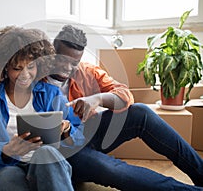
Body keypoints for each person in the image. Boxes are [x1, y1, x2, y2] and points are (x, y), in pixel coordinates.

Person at [44, 25, 203, 191]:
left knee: (141, 112)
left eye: (74, 63)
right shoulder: (35, 78)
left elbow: (124, 96)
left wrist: (97, 99)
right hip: (63, 150)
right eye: (62, 59)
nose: (68, 68)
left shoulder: (86, 71)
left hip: (88, 133)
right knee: (112, 169)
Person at [0, 26, 85, 191]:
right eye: (17, 68)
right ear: (4, 67)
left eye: (31, 67)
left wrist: (66, 129)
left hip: (44, 163)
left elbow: (79, 136)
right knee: (6, 178)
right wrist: (5, 150)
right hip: (6, 166)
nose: (25, 75)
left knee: (47, 153)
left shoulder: (52, 94)